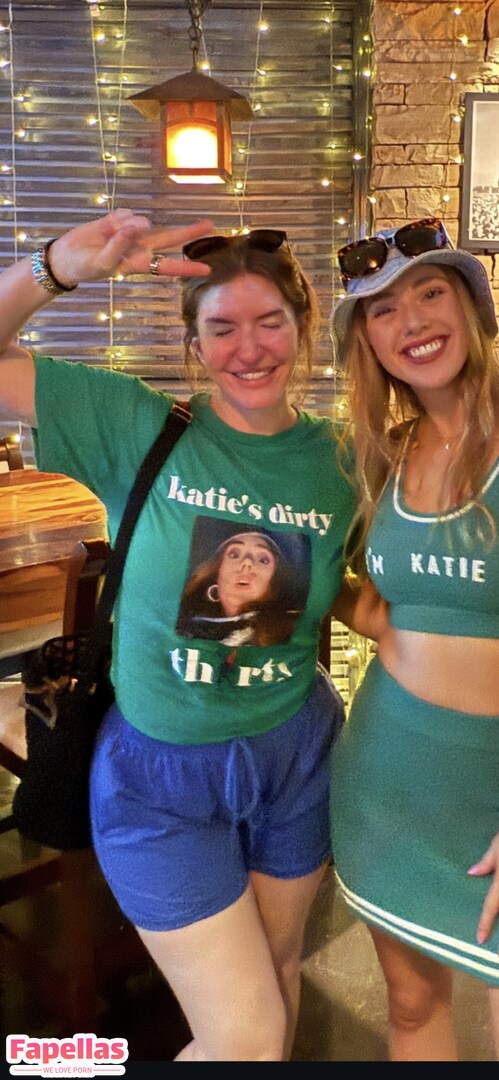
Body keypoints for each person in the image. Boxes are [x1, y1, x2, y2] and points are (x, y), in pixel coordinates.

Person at [0, 209, 383, 1061]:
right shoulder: (138, 425)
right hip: (158, 779)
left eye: (268, 322)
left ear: (303, 327)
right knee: (246, 1035)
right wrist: (55, 267)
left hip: (296, 757)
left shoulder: (341, 460)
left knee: (274, 986)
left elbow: (353, 587)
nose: (248, 348)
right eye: (222, 328)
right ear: (194, 343)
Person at [329, 216, 499, 1061]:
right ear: (366, 341)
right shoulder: (383, 456)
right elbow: (381, 604)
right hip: (386, 779)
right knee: (408, 1006)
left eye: (430, 293)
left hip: (487, 786)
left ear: (471, 308)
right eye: (383, 310)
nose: (412, 322)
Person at [177, 520, 309, 645]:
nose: (247, 562)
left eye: (263, 560)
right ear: (216, 572)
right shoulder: (185, 629)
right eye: (234, 554)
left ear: (274, 582)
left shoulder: (292, 635)